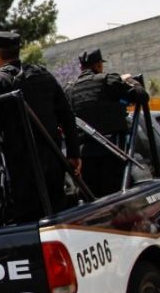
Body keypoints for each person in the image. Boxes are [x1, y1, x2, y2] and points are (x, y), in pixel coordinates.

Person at [0, 31, 80, 223]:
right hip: (52, 160)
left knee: (27, 221)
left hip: (21, 166)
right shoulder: (43, 74)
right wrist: (74, 154)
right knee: (57, 214)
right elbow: (67, 115)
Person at [64, 48, 149, 198]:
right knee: (116, 198)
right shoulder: (108, 81)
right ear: (97, 66)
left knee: (94, 202)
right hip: (112, 152)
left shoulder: (70, 89)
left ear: (81, 68)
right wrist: (131, 81)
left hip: (85, 157)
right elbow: (142, 96)